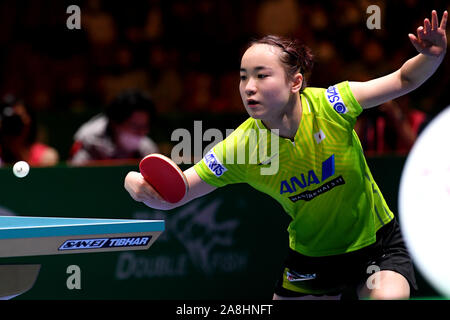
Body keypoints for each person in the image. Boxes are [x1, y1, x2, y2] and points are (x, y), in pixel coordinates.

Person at [124, 11, 447, 300]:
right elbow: (175, 193)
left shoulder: (334, 105)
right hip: (312, 259)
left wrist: (431, 57)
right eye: (243, 76)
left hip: (377, 243)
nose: (248, 87)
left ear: (295, 82)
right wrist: (136, 183)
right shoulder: (241, 148)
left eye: (262, 75)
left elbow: (403, 79)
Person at [69, 89, 159, 165]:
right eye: (134, 125)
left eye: (144, 126)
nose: (141, 132)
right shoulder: (89, 139)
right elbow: (76, 174)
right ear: (115, 123)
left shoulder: (147, 148)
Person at [0, 95, 59, 167]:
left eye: (18, 118)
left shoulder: (45, 157)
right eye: (9, 119)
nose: (13, 123)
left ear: (30, 121)